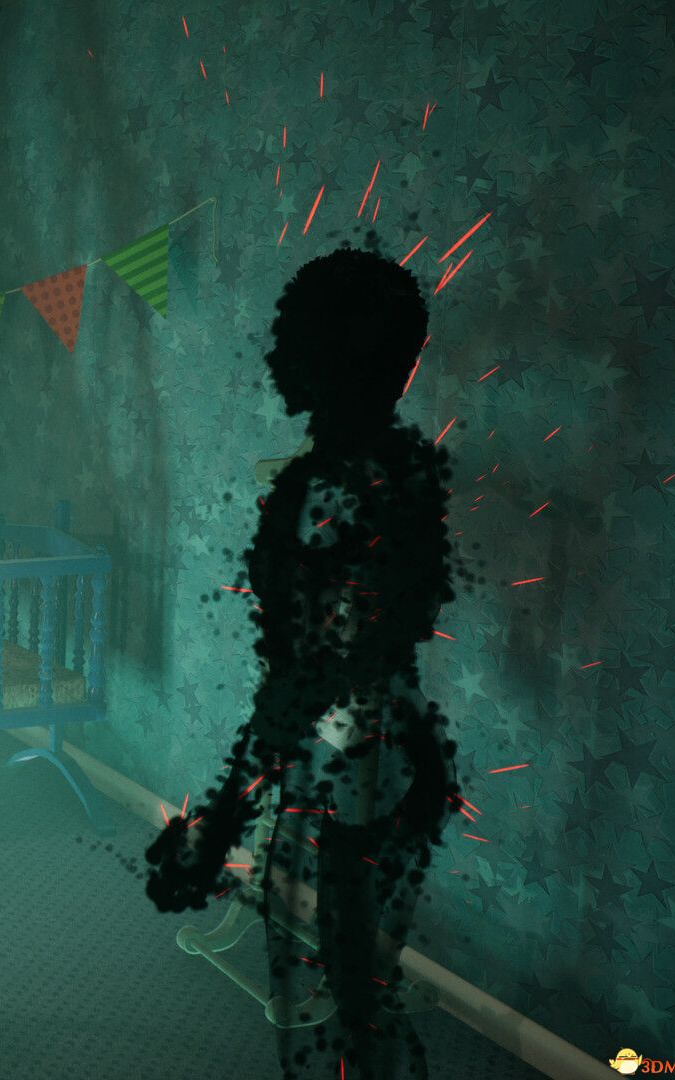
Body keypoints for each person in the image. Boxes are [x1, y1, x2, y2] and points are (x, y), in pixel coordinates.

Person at [145, 247, 458, 1079]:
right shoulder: (402, 469)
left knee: (342, 989)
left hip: (347, 761)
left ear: (324, 361)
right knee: (357, 974)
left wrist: (217, 828)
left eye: (289, 342)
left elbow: (309, 675)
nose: (274, 359)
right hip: (388, 745)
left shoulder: (331, 490)